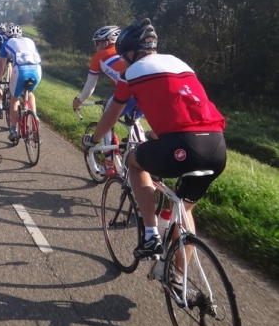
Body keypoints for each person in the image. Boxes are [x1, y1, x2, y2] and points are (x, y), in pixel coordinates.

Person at [82, 18, 226, 260]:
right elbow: (182, 107)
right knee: (182, 210)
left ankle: (150, 235)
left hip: (182, 146)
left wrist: (93, 140)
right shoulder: (181, 64)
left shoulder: (131, 72)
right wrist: (154, 134)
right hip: (216, 146)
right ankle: (179, 280)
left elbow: (110, 116)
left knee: (132, 161)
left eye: (123, 56)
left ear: (130, 52)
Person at [73, 25, 141, 177]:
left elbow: (90, 87)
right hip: (144, 92)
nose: (96, 46)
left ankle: (109, 164)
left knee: (107, 120)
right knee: (133, 122)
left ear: (106, 42)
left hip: (127, 92)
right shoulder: (128, 53)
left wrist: (79, 100)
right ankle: (142, 155)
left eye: (97, 42)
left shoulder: (99, 56)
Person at [0, 23, 42, 142]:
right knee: (30, 93)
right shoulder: (29, 41)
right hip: (36, 70)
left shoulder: (6, 43)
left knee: (14, 98)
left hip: (21, 70)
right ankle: (34, 116)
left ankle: (13, 130)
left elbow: (1, 65)